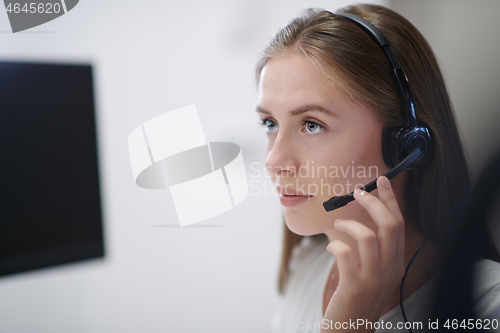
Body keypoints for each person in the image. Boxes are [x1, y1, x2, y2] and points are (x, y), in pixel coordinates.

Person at [254, 4, 500, 333]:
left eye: (312, 125)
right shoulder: (308, 267)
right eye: (270, 123)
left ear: (406, 144)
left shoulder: (487, 305)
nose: (273, 161)